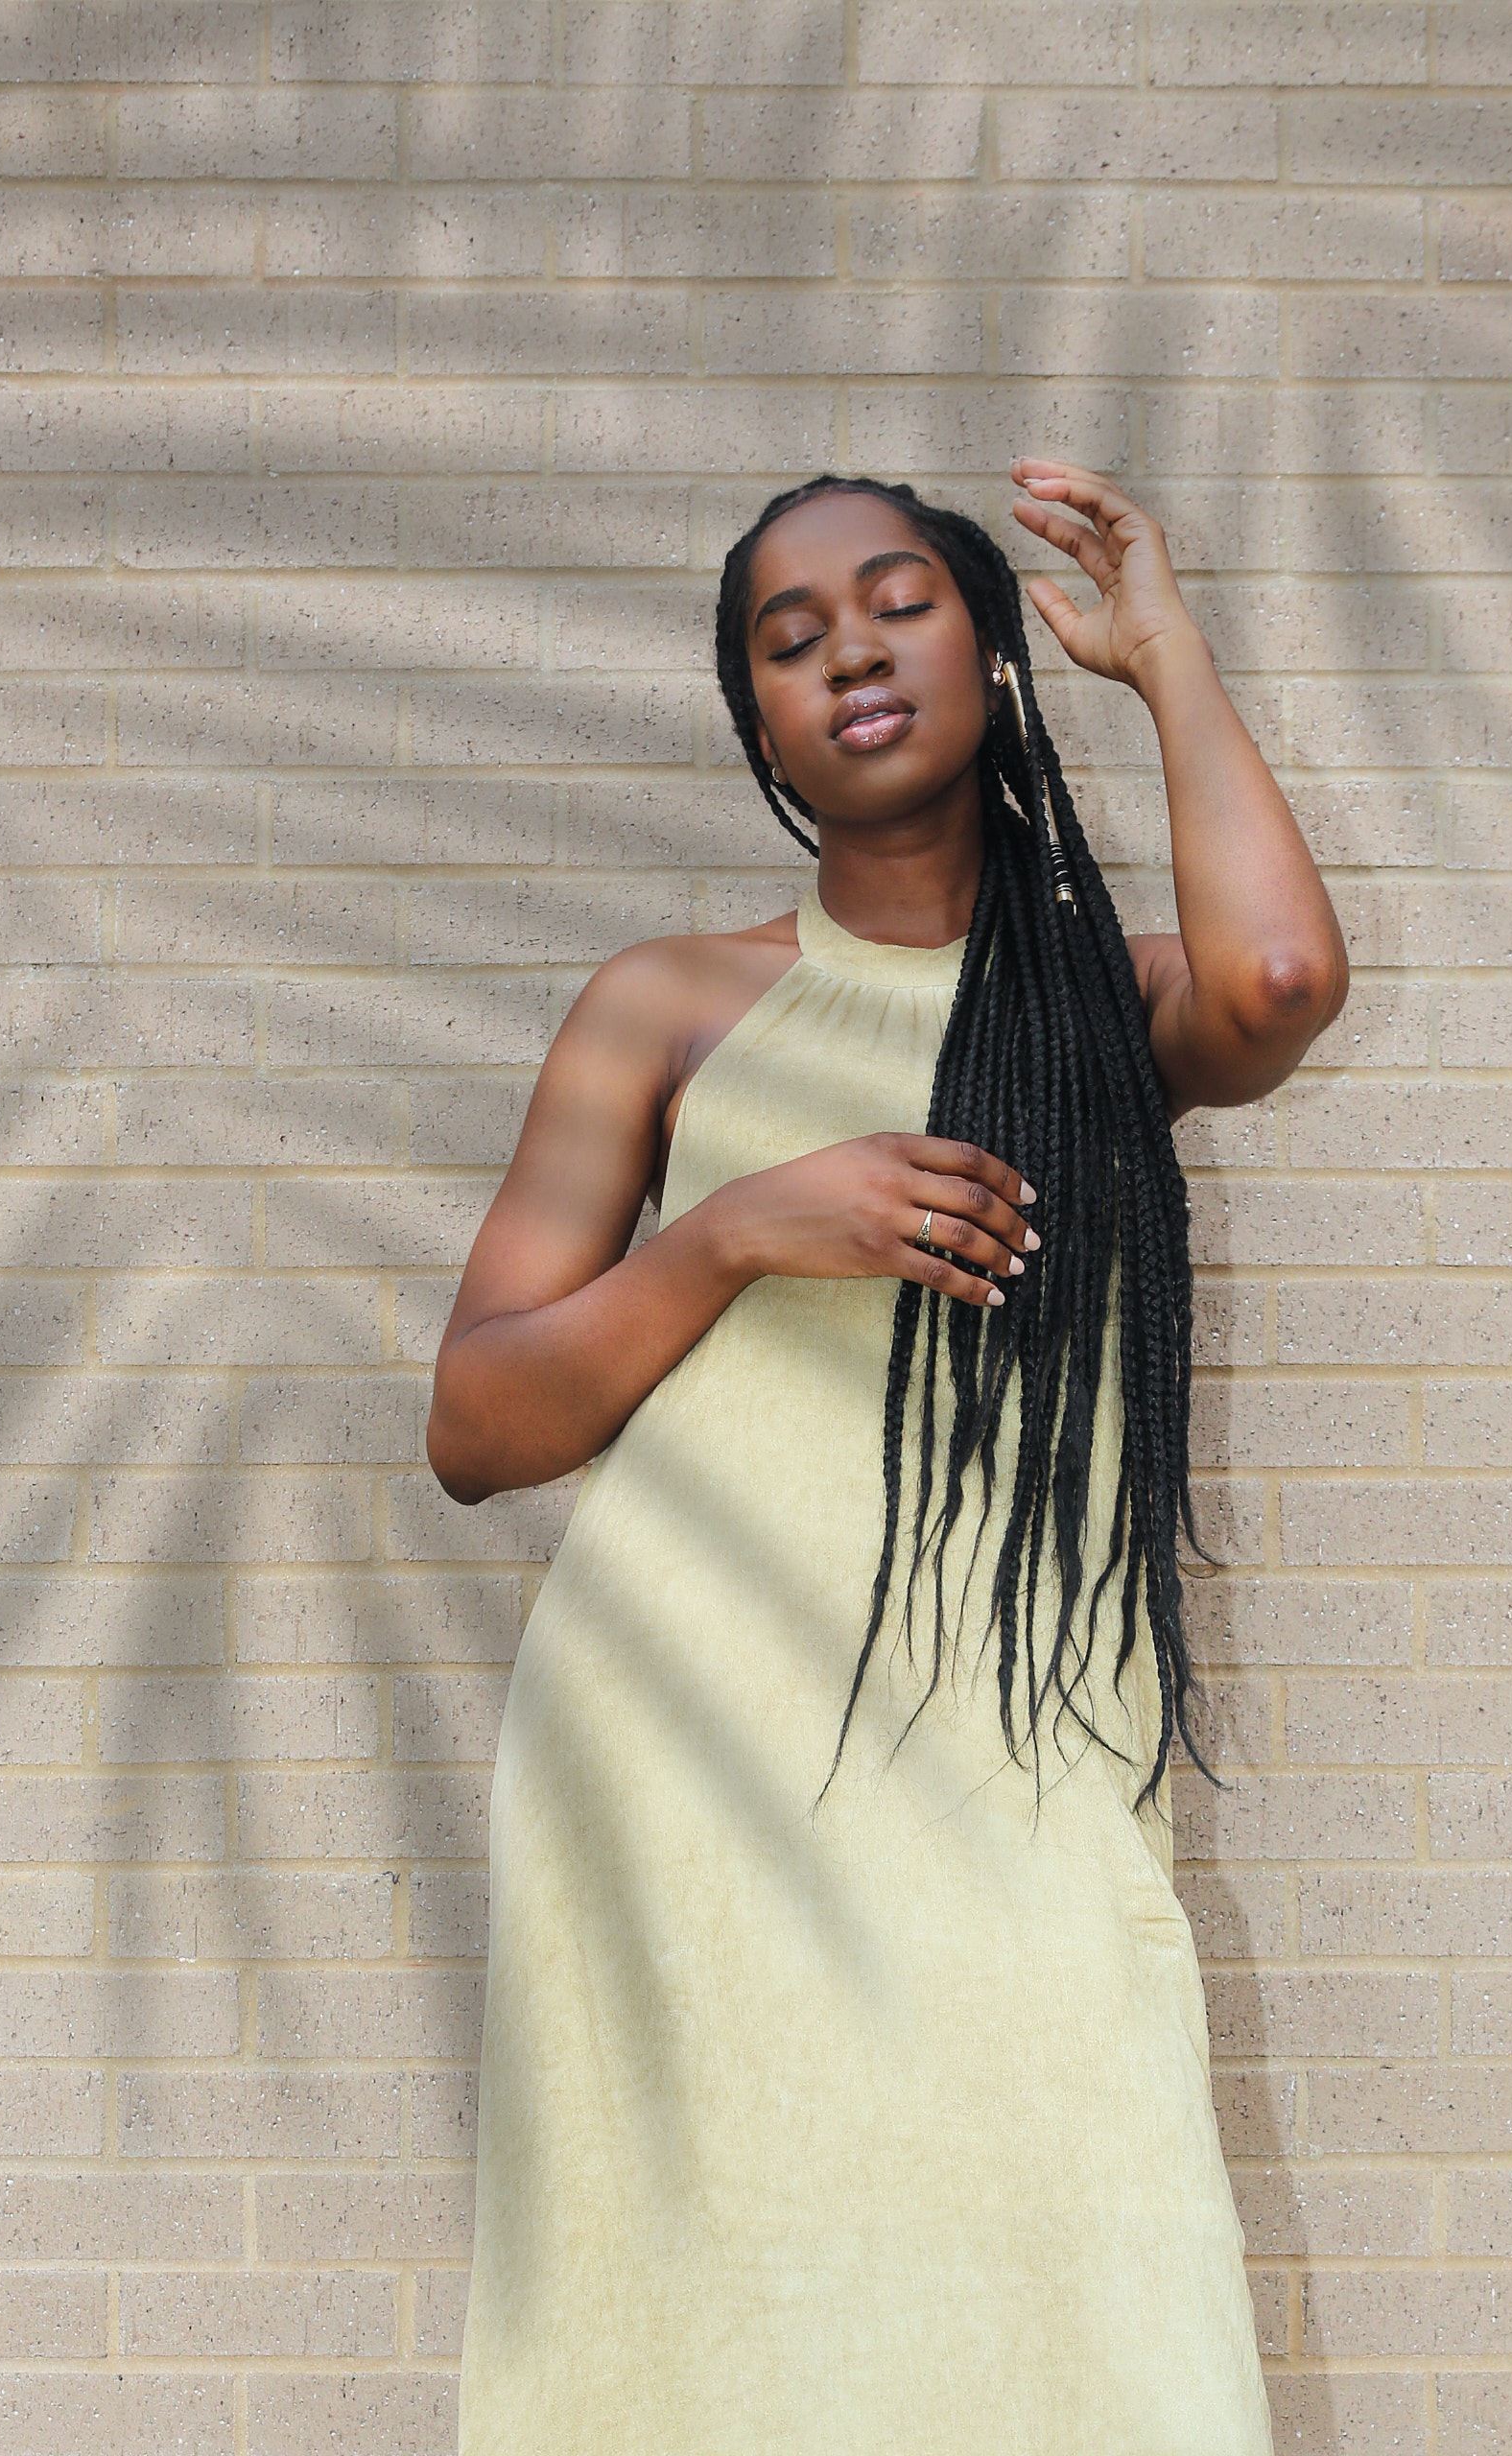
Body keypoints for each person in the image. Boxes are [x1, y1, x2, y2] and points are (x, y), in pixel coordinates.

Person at [430, 459, 1346, 2452]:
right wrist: (742, 1223)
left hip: (1002, 1748)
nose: (846, 643)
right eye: (787, 633)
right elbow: (478, 1421)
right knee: (697, 2328)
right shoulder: (665, 1006)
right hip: (677, 1766)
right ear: (755, 716)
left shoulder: (1104, 1008)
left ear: (991, 648)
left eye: (896, 600)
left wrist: (1167, 654)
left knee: (1090, 2300)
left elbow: (1280, 982)